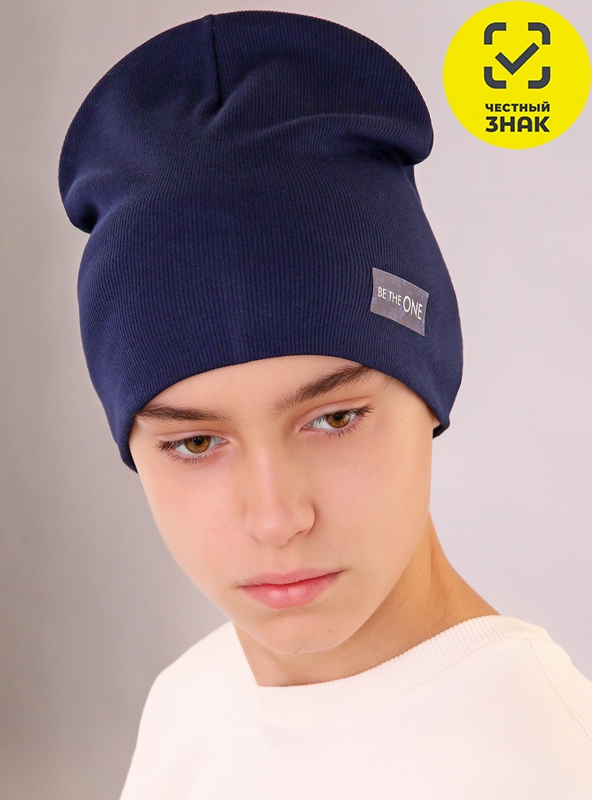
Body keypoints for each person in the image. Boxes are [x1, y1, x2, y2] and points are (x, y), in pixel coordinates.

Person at [58, 9, 592, 798]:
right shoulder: (189, 704)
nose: (276, 519)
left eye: (333, 419)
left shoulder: (541, 765)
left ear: (429, 389)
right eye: (195, 443)